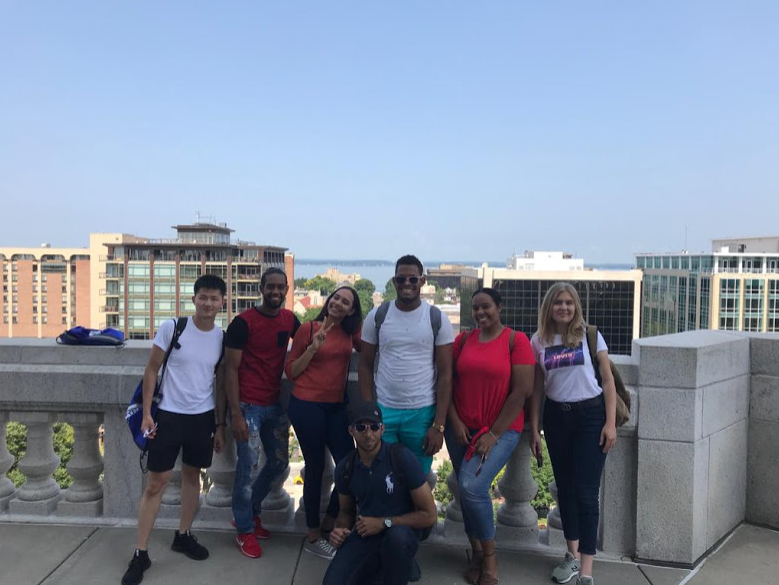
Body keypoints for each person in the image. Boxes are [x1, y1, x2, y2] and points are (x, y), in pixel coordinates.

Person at [121, 274, 227, 585]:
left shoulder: (221, 337)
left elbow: (219, 382)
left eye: (214, 298)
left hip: (202, 417)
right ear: (194, 299)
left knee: (193, 476)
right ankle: (141, 552)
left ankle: (183, 534)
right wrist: (145, 415)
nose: (208, 303)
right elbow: (151, 368)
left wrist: (219, 425)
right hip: (168, 414)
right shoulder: (173, 328)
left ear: (223, 302)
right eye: (203, 297)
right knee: (157, 483)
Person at [528, 283, 617, 585]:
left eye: (569, 302)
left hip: (590, 417)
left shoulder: (590, 336)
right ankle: (572, 556)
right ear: (549, 307)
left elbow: (607, 380)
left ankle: (587, 571)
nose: (564, 307)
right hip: (556, 419)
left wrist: (610, 423)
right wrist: (535, 427)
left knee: (586, 494)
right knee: (564, 489)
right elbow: (538, 387)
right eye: (558, 303)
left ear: (576, 306)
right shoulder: (538, 340)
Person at [445, 288, 535, 585]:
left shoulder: (515, 341)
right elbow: (447, 381)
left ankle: (490, 558)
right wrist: (455, 421)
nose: (480, 313)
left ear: (499, 307)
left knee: (472, 486)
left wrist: (493, 435)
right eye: (475, 308)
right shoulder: (464, 341)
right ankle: (476, 554)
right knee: (464, 490)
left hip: (502, 430)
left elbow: (522, 391)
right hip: (462, 430)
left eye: (486, 307)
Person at [224, 267, 301, 559]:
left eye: (281, 287)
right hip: (248, 406)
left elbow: (309, 338)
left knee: (280, 463)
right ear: (261, 288)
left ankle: (249, 512)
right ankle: (244, 530)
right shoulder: (243, 323)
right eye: (270, 287)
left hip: (274, 404)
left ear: (287, 289)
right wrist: (235, 414)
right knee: (247, 470)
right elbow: (229, 370)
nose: (276, 292)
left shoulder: (289, 319)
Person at [285, 286, 362, 559]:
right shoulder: (308, 328)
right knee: (316, 467)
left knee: (349, 463)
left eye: (346, 302)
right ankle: (314, 533)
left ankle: (331, 520)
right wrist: (312, 349)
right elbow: (291, 371)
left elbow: (374, 348)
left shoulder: (351, 334)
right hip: (306, 405)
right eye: (336, 298)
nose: (338, 303)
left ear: (352, 310)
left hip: (335, 407)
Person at [359, 254, 454, 475]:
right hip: (383, 411)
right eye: (401, 280)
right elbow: (364, 365)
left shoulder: (436, 318)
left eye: (413, 279)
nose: (407, 284)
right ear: (394, 282)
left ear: (423, 281)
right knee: (381, 475)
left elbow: (446, 374)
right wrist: (368, 413)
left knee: (417, 479)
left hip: (421, 413)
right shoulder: (377, 316)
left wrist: (438, 425)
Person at [323, 401, 437, 585]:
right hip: (367, 532)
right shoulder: (346, 467)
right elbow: (346, 511)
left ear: (382, 429)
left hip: (402, 531)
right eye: (361, 427)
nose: (368, 434)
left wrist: (384, 523)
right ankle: (387, 564)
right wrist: (340, 531)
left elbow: (430, 515)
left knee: (396, 541)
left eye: (374, 427)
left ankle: (401, 562)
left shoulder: (401, 457)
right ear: (351, 430)